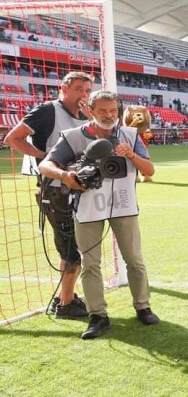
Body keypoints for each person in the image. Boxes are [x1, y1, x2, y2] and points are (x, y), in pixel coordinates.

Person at [38, 90, 159, 339]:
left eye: (113, 111)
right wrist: (65, 176)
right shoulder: (72, 137)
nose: (109, 115)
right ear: (90, 111)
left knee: (134, 259)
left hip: (124, 206)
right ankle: (98, 315)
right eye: (102, 111)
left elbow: (150, 170)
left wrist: (131, 155)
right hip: (87, 207)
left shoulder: (130, 134)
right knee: (90, 263)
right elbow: (45, 165)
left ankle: (143, 307)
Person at [4, 71, 93, 319]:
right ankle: (66, 304)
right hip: (56, 191)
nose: (83, 95)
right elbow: (13, 138)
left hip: (80, 189)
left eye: (87, 90)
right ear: (63, 88)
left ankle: (66, 296)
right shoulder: (48, 111)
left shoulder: (85, 115)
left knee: (79, 246)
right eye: (78, 89)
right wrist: (44, 157)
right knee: (70, 248)